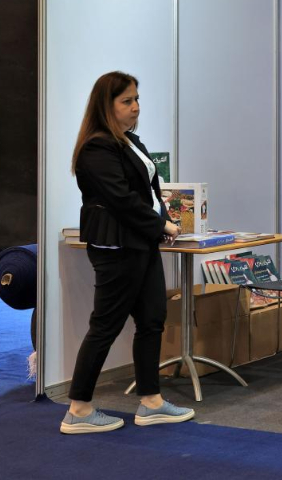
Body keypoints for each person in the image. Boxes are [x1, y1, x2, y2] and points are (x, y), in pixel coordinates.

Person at [61, 71, 194, 434]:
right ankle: (78, 409)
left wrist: (164, 220)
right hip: (117, 246)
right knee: (105, 325)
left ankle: (151, 402)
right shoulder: (96, 147)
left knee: (152, 319)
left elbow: (148, 192)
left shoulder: (128, 141)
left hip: (141, 242)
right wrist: (162, 225)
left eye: (137, 99)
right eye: (127, 101)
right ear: (106, 105)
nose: (136, 107)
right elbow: (121, 199)